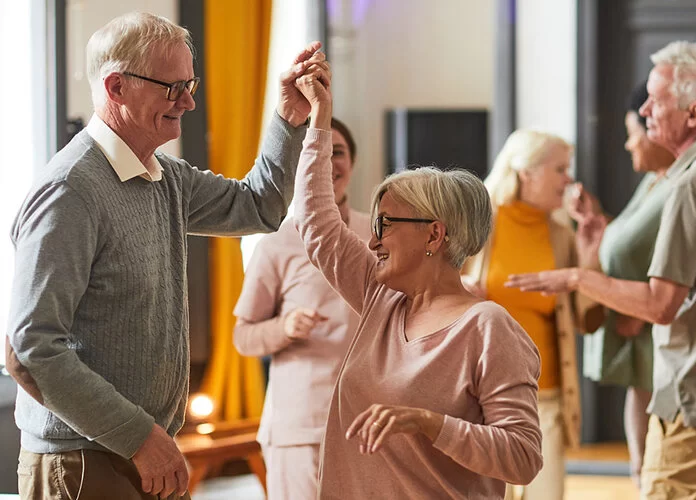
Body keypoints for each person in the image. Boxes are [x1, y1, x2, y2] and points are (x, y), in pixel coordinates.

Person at [4, 12, 322, 500]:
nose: (189, 102)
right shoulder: (69, 191)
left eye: (189, 84)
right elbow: (30, 349)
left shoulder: (164, 176)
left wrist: (287, 118)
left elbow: (258, 206)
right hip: (84, 461)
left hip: (133, 451)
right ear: (116, 87)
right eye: (172, 88)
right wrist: (138, 437)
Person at [505, 40, 696, 499]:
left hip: (695, 402)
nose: (645, 109)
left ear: (694, 113)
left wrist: (578, 278)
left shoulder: (692, 185)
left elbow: (660, 306)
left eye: (656, 100)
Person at [289, 63, 543, 498]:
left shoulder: (487, 326)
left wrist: (430, 424)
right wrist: (320, 119)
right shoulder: (380, 297)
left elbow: (522, 456)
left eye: (385, 224)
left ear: (434, 233)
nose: (371, 240)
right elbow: (317, 223)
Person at [232, 117, 370, 500]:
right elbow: (243, 337)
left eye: (337, 152)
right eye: (319, 153)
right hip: (302, 429)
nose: (329, 162)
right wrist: (285, 327)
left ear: (352, 163)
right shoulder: (276, 243)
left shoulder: (376, 236)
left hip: (371, 425)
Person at [461, 130, 602, 500]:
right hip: (479, 395)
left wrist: (589, 257)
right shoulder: (474, 223)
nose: (569, 180)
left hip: (546, 398)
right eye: (560, 169)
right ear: (527, 172)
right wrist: (460, 291)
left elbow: (590, 321)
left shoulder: (561, 235)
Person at [568, 80, 675, 488]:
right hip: (637, 329)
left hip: (655, 328)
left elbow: (689, 265)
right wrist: (597, 222)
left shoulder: (679, 188)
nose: (629, 146)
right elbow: (632, 240)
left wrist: (645, 317)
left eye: (633, 135)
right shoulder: (651, 182)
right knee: (645, 461)